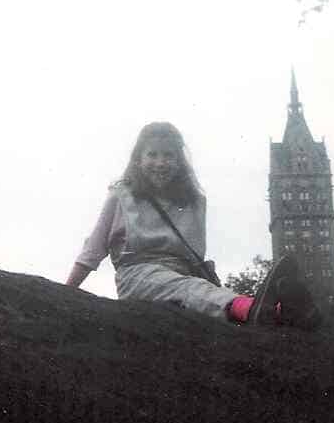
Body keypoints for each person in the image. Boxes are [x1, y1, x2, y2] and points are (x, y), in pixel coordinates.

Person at [65, 121, 320, 328]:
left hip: (183, 272)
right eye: (152, 155)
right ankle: (250, 309)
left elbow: (195, 255)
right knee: (190, 289)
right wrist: (65, 293)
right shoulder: (122, 196)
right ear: (138, 160)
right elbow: (93, 250)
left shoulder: (194, 201)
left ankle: (279, 312)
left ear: (179, 161)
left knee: (197, 288)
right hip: (138, 273)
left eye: (169, 155)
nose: (160, 163)